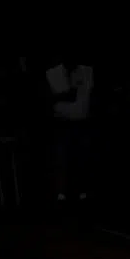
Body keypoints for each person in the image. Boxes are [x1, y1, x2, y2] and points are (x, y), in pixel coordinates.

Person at [45, 50, 94, 202]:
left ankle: (82, 190)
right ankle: (61, 193)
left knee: (82, 158)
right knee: (62, 158)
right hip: (62, 123)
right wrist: (63, 95)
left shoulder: (87, 71)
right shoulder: (51, 73)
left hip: (82, 122)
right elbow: (44, 99)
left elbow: (93, 94)